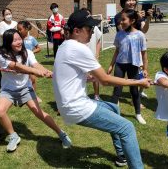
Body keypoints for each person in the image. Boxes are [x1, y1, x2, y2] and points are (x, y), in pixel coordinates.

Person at [53, 10, 151, 168]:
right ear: (76, 31)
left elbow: (68, 76)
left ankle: (121, 156)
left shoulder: (65, 45)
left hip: (70, 105)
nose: (93, 32)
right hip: (76, 108)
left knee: (114, 109)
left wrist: (87, 78)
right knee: (128, 128)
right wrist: (137, 83)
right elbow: (105, 80)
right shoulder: (79, 48)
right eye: (89, 29)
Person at [0, 29, 71, 152]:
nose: (19, 42)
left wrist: (45, 71)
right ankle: (13, 136)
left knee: (39, 113)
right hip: (8, 90)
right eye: (15, 40)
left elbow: (36, 65)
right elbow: (18, 67)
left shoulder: (28, 52)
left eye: (19, 39)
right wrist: (36, 72)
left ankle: (61, 133)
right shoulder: (3, 56)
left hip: (25, 88)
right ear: (8, 43)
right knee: (0, 111)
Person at [108, 9, 148, 125]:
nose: (121, 22)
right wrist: (111, 65)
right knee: (117, 89)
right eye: (121, 19)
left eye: (124, 19)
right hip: (120, 65)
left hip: (134, 65)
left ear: (132, 20)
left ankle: (138, 114)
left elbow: (144, 54)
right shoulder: (119, 34)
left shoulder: (140, 35)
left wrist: (145, 69)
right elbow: (117, 51)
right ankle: (114, 114)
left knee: (134, 90)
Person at [115, 0, 152, 100]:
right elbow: (122, 30)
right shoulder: (119, 16)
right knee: (120, 79)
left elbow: (144, 30)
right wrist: (137, 20)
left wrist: (148, 18)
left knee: (138, 75)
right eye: (128, 0)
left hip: (136, 50)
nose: (131, 2)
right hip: (125, 52)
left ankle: (137, 96)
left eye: (133, 0)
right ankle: (117, 98)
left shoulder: (136, 15)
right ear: (123, 2)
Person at [17, 20, 43, 102]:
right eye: (18, 29)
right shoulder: (17, 39)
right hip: (21, 63)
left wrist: (31, 52)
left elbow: (39, 48)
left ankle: (34, 96)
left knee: (33, 79)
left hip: (30, 63)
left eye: (20, 29)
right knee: (21, 80)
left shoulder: (32, 39)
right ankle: (21, 96)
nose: (18, 31)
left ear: (26, 29)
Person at [81, 8, 103, 101]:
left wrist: (97, 54)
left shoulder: (95, 28)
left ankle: (96, 95)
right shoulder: (80, 30)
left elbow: (98, 40)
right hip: (82, 59)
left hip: (93, 57)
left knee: (96, 77)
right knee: (82, 77)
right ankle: (82, 96)